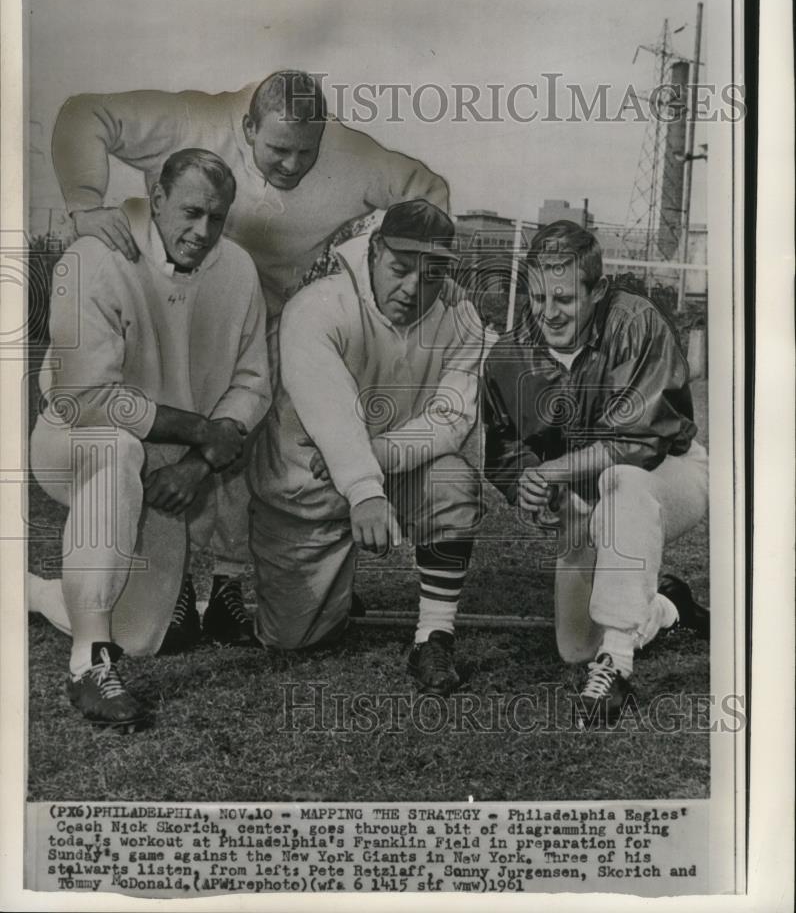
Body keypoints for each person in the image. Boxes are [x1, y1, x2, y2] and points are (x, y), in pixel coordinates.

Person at [29, 149, 270, 729]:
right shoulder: (94, 257)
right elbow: (85, 397)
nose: (202, 231)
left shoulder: (236, 268)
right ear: (157, 200)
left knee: (140, 634)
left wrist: (197, 463)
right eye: (190, 212)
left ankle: (31, 592)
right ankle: (88, 665)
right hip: (72, 442)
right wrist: (199, 432)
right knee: (118, 448)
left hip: (173, 459)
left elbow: (253, 381)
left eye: (216, 218)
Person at [248, 199, 484, 694]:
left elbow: (452, 417)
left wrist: (372, 462)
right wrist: (362, 488)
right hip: (309, 486)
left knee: (452, 481)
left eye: (432, 275)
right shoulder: (319, 304)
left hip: (397, 470)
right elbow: (328, 406)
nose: (413, 288)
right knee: (292, 640)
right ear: (374, 251)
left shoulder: (461, 318)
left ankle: (433, 636)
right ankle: (332, 590)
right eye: (400, 269)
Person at [482, 220, 709, 727]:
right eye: (539, 298)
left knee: (621, 483)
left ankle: (617, 668)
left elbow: (639, 444)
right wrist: (527, 487)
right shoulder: (508, 355)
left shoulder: (636, 322)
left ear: (599, 289)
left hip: (669, 472)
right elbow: (502, 451)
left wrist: (556, 470)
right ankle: (667, 608)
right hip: (586, 501)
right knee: (572, 647)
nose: (549, 312)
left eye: (564, 298)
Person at [51, 70, 449, 322]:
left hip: (257, 324)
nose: (292, 165)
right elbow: (84, 113)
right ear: (249, 128)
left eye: (305, 152)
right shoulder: (195, 119)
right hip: (158, 306)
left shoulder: (351, 155)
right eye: (279, 150)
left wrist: (392, 277)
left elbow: (428, 188)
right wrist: (84, 204)